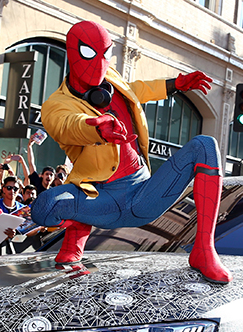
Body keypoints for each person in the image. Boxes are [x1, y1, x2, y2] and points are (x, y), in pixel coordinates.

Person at [31, 20, 231, 283]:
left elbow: (135, 91)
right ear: (72, 52)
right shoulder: (56, 104)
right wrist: (96, 127)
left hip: (143, 194)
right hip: (101, 200)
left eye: (106, 53)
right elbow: (67, 125)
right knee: (44, 207)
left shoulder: (111, 79)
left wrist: (176, 84)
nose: (100, 63)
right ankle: (74, 239)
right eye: (89, 53)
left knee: (205, 145)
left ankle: (204, 250)